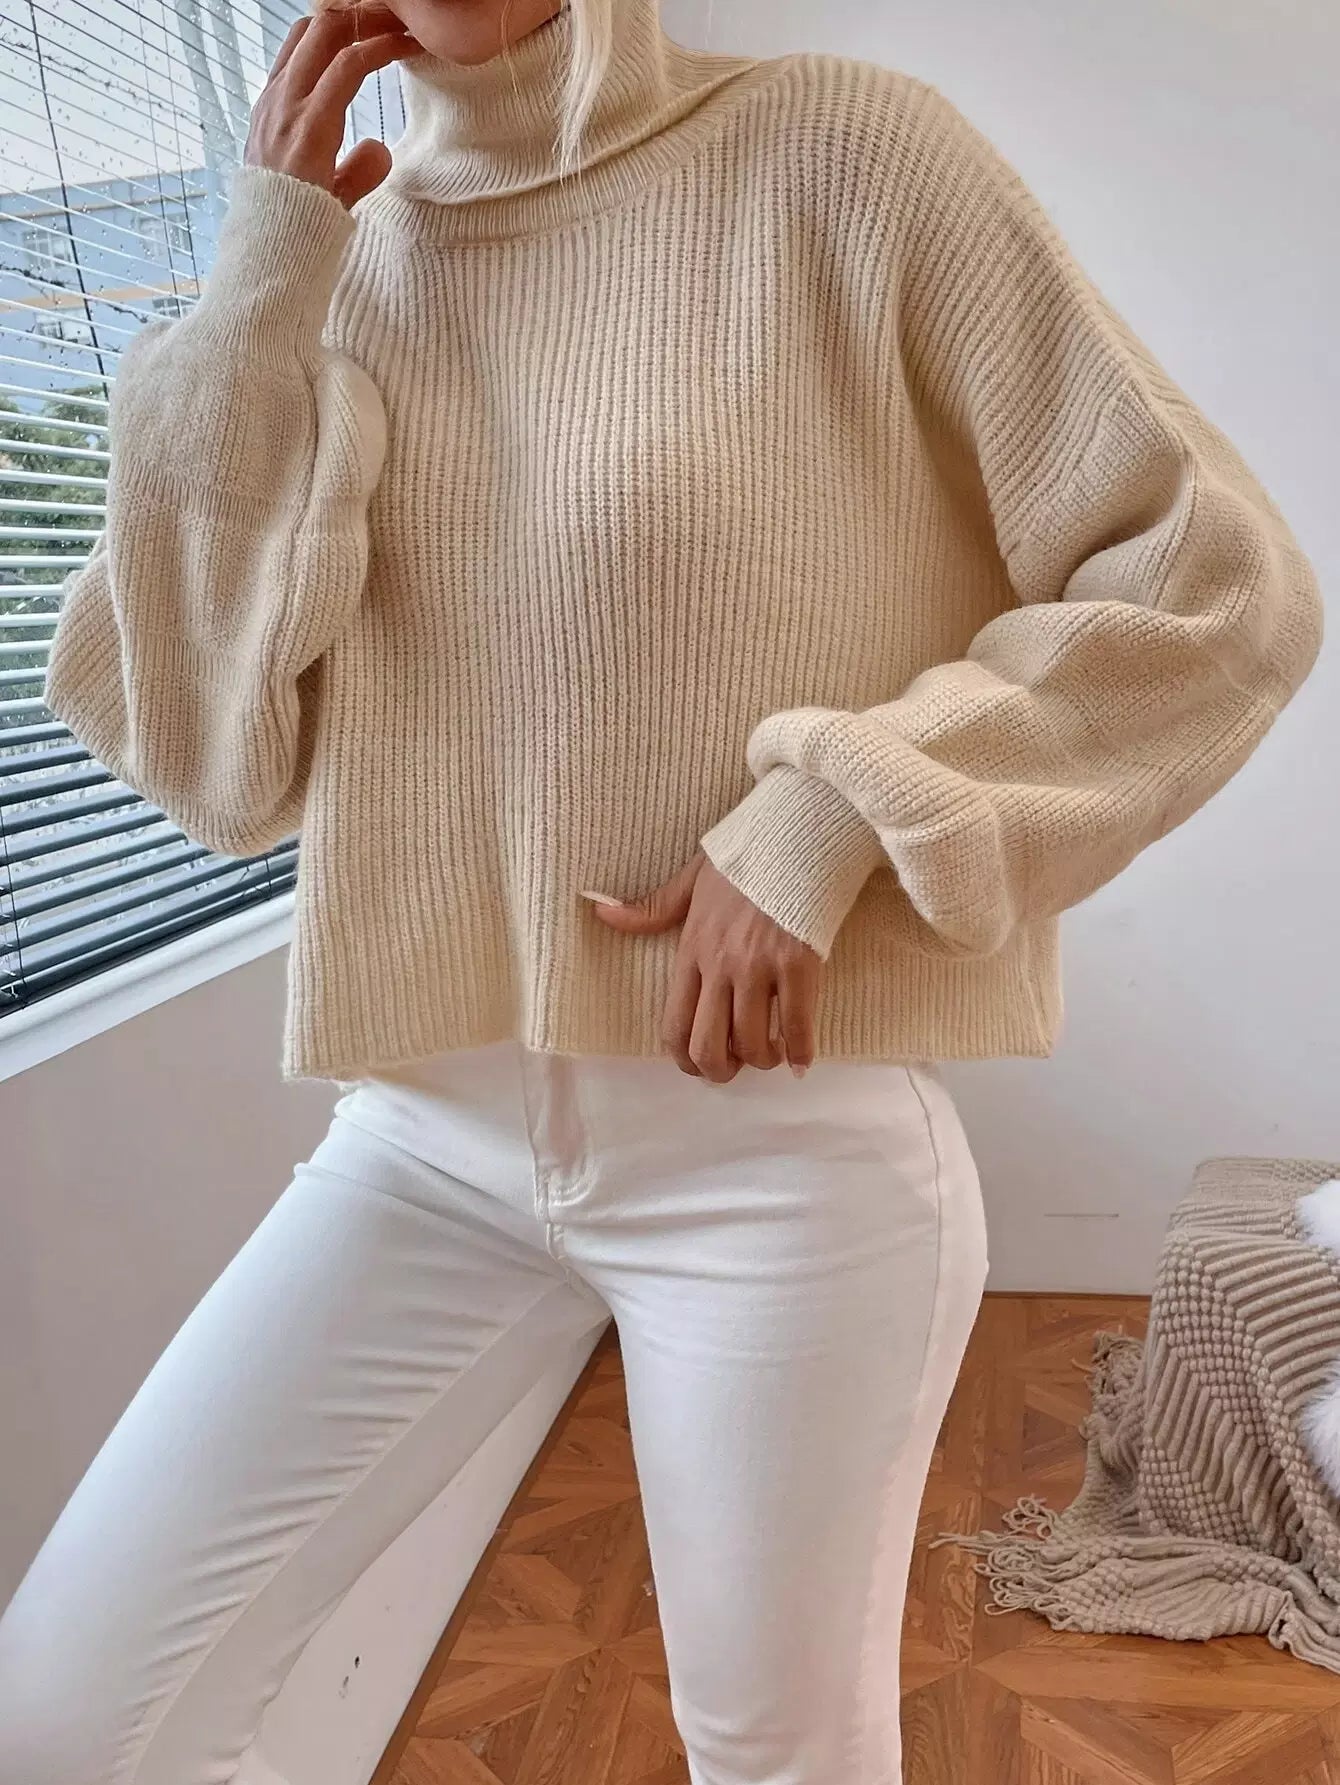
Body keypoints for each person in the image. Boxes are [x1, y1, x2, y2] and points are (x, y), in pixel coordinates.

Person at [0, 1, 1321, 1781]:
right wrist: (256, 288)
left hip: (780, 1154)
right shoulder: (325, 273)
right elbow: (206, 759)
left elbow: (1217, 586)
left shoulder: (842, 153)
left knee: (773, 1752)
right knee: (68, 1716)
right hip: (426, 1144)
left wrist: (835, 807)